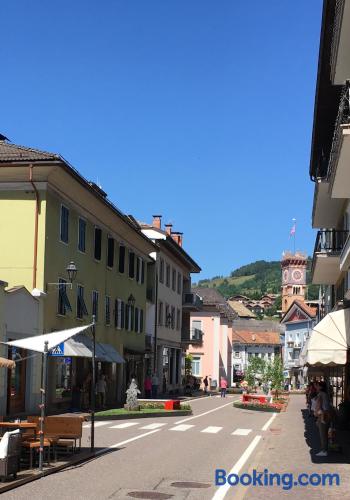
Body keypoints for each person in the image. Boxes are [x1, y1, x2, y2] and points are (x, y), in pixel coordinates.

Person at [314, 381, 332, 457]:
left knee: (323, 435)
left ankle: (324, 451)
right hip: (326, 415)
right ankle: (325, 449)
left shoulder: (321, 394)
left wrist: (317, 414)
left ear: (321, 387)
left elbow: (320, 406)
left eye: (317, 386)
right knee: (325, 434)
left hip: (323, 416)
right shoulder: (324, 394)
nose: (316, 387)